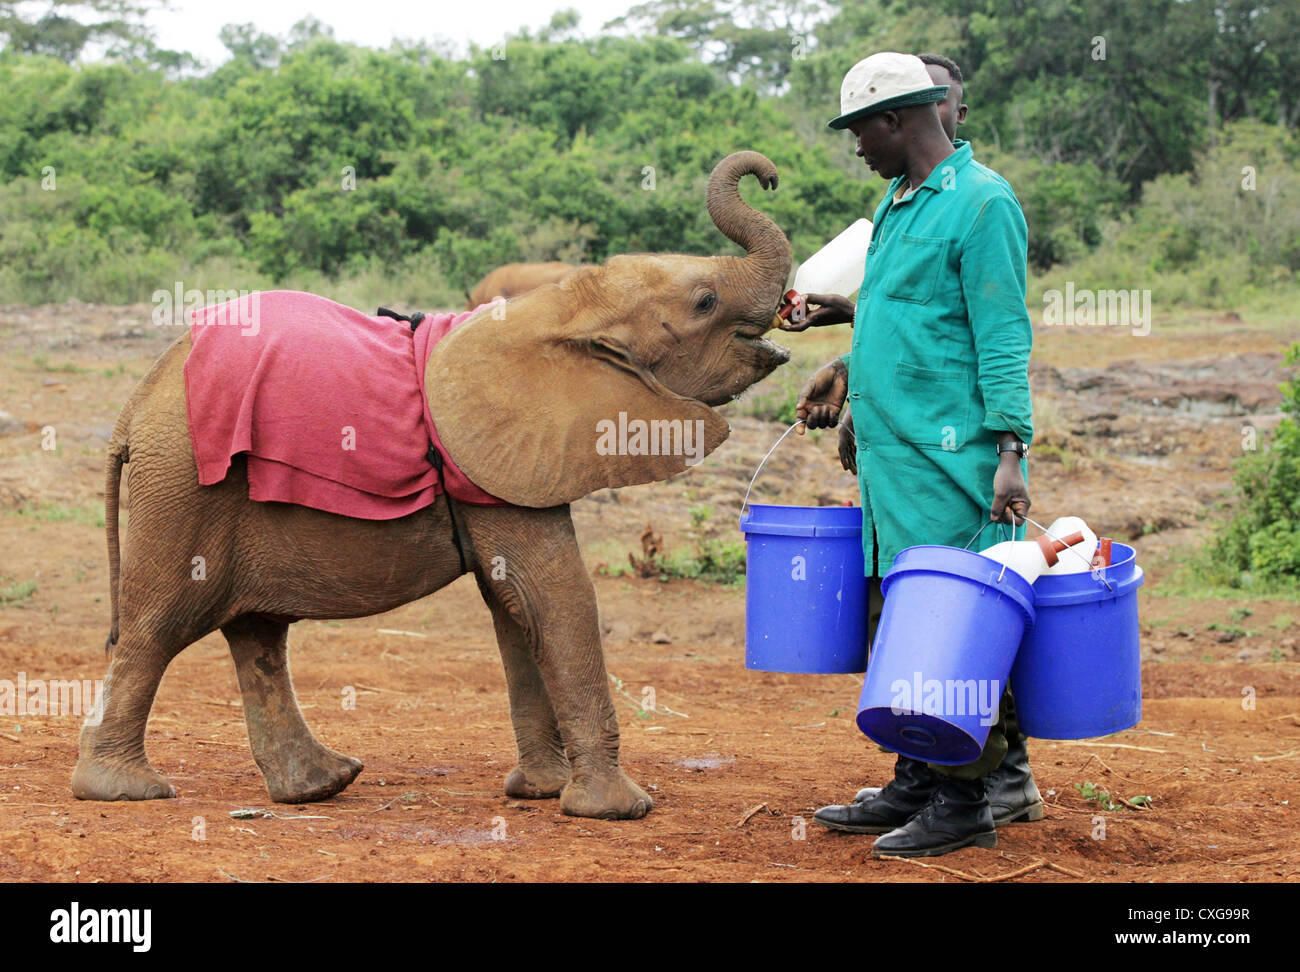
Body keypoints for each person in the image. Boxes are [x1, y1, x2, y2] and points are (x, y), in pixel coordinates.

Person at [791, 51, 1039, 858]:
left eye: (860, 130)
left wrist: (1010, 450)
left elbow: (1001, 335)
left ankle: (967, 800)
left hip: (954, 462)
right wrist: (845, 344)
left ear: (897, 119)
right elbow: (904, 319)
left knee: (952, 625)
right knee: (899, 620)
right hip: (894, 463)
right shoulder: (897, 203)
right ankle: (914, 778)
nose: (856, 146)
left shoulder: (981, 204)